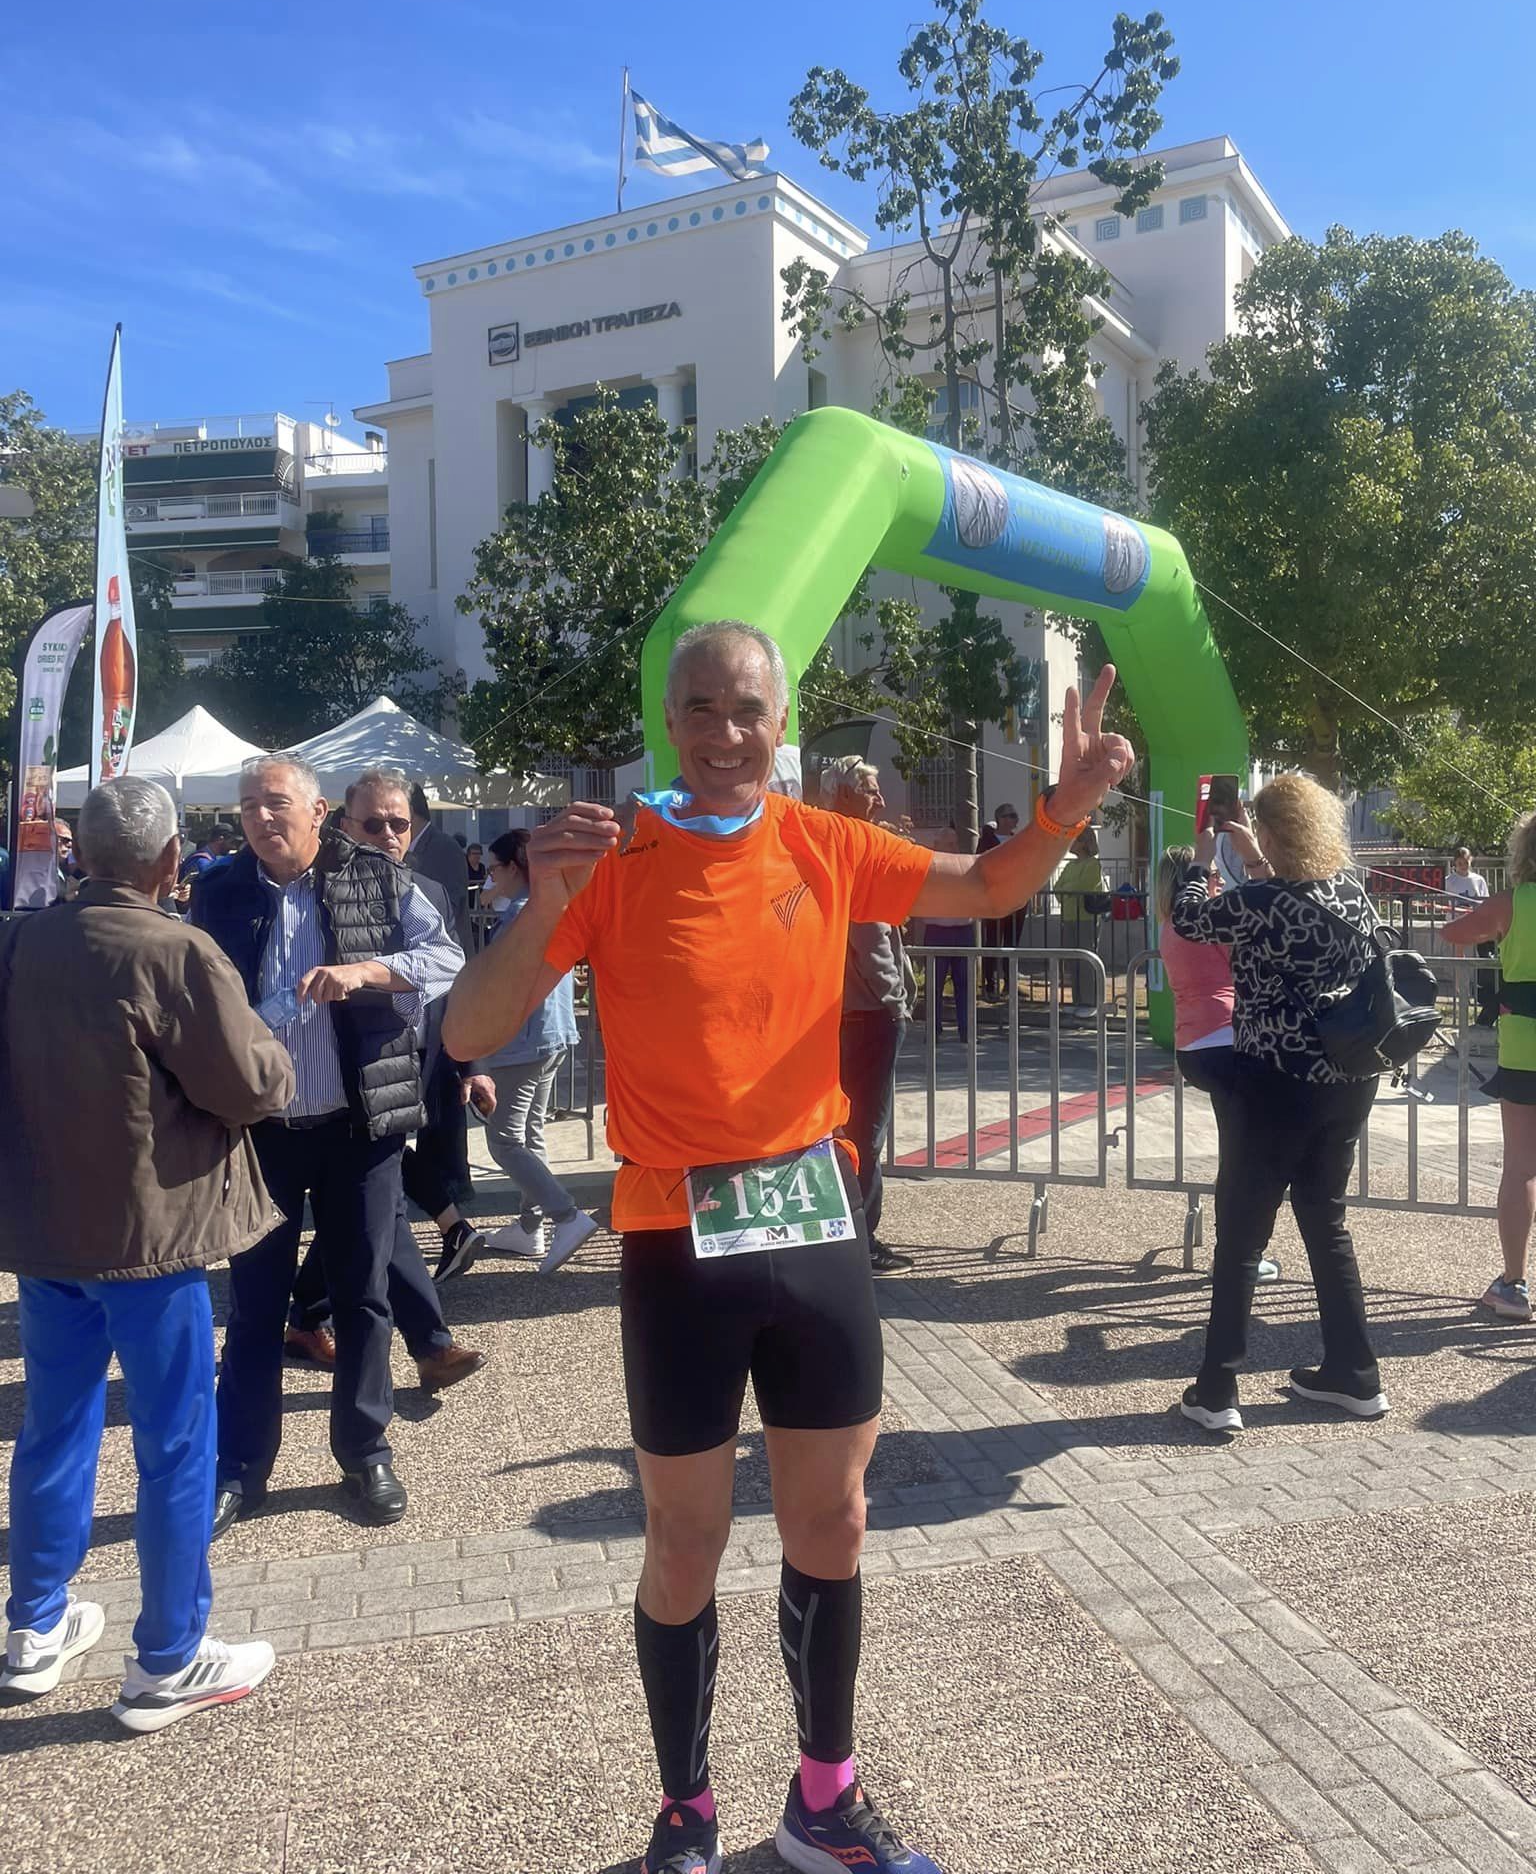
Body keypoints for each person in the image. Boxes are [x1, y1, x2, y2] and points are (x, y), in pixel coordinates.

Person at [443, 620, 1132, 1874]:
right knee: (682, 1540)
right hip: (675, 1236)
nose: (724, 733)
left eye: (747, 709)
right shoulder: (606, 857)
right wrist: (543, 904)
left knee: (836, 1517)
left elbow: (988, 886)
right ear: (668, 718)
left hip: (812, 1224)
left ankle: (824, 1800)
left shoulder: (824, 841)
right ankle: (685, 1810)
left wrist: (1067, 807)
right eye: (700, 708)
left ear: (781, 720)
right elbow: (466, 1030)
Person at [0, 778, 293, 1729]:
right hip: (148, 1235)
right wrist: (277, 1054)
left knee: (54, 1424)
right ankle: (167, 1658)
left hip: (46, 1227)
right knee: (176, 1442)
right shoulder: (175, 949)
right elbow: (249, 1085)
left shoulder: (17, 940)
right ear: (171, 861)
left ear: (80, 853)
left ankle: (35, 1625)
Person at [190, 753, 464, 1537]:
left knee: (363, 1297)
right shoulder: (219, 891)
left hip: (358, 1127)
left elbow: (446, 957)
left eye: (275, 802)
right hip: (263, 1133)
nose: (260, 817)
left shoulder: (379, 878)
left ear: (318, 813)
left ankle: (364, 1452)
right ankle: (241, 1466)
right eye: (248, 805)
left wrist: (368, 971)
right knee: (253, 1307)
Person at [1169, 774, 1388, 1435]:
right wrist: (1256, 856)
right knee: (1326, 1221)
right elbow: (1299, 901)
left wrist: (1203, 858)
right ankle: (1355, 1374)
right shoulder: (1351, 891)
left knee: (1241, 1237)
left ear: (1268, 831)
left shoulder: (1260, 900)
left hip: (1274, 1081)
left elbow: (1187, 918)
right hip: (1348, 1081)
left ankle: (1217, 1390)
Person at [284, 768, 487, 1373]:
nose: (389, 834)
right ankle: (429, 1343)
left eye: (400, 823)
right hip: (348, 1077)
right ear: (344, 825)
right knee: (382, 1205)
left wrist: (471, 1063)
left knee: (374, 1208)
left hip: (415, 1067)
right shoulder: (319, 888)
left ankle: (306, 1318)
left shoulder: (428, 890)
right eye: (373, 824)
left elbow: (456, 978)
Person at [474, 830, 600, 1274]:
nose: (491, 877)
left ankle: (565, 1215)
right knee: (528, 1134)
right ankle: (531, 1226)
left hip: (524, 1038)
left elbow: (504, 980)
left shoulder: (523, 915)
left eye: (495, 869)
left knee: (505, 1140)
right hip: (552, 1032)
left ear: (513, 867)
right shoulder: (549, 906)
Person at [1156, 846, 1278, 1287]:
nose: (1220, 879)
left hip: (1194, 1045)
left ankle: (1235, 1254)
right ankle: (1237, 1257)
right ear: (1188, 880)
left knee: (1238, 1155)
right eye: (1210, 873)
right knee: (1246, 1161)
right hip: (1228, 1039)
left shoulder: (1169, 926)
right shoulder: (1207, 923)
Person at [820, 757, 913, 1274]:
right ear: (844, 795)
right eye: (871, 790)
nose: (880, 799)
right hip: (867, 1013)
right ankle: (860, 1240)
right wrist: (895, 1001)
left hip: (841, 1011)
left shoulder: (827, 846)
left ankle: (844, 1233)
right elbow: (871, 939)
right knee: (864, 1134)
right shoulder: (854, 852)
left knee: (846, 1130)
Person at [1443, 811, 1536, 1322]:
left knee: (1521, 1166)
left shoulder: (1510, 903)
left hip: (1524, 1048)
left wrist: (1492, 920)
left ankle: (1513, 1285)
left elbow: (1453, 933)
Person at [405, 781, 474, 956]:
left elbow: (449, 908)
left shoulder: (445, 848)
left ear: (409, 813)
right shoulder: (411, 847)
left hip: (445, 957)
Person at [921, 824, 972, 1045]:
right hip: (936, 932)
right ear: (937, 845)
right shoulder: (928, 867)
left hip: (963, 931)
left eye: (955, 843)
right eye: (950, 844)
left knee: (965, 984)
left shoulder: (965, 865)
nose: (954, 847)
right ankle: (933, 1030)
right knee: (934, 985)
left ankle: (967, 1030)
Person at [1053, 826, 1106, 1013]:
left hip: (1086, 917)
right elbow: (1057, 888)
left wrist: (1067, 889)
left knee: (1086, 960)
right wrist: (1068, 890)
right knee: (1072, 960)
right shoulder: (1069, 865)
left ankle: (1090, 1001)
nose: (1069, 843)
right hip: (1068, 917)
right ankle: (1077, 1000)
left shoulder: (1093, 864)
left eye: (1073, 838)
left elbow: (1082, 887)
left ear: (1083, 842)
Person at [1444, 846, 1497, 1029]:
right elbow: (1443, 898)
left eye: (1465, 862)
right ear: (1454, 863)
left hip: (1476, 923)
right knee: (1460, 955)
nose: (1463, 866)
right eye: (1459, 863)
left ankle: (1482, 987)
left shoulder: (1478, 880)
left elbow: (1485, 900)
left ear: (1471, 860)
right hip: (1458, 923)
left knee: (1481, 955)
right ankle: (1461, 989)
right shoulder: (1449, 880)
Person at [977, 801, 1021, 999]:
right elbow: (980, 863)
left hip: (1017, 898)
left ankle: (1010, 984)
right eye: (1010, 815)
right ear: (1000, 819)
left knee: (1012, 943)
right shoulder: (987, 840)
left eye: (1015, 815)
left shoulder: (1018, 839)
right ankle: (990, 985)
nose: (1014, 819)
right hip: (994, 898)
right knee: (993, 941)